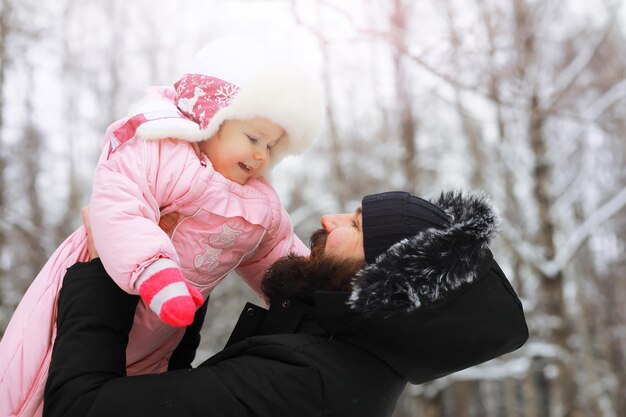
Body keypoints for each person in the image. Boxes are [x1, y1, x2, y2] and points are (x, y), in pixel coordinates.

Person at [0, 37, 324, 417]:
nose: (260, 155)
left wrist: (315, 293)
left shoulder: (261, 204)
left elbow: (278, 254)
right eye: (253, 138)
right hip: (107, 282)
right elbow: (120, 203)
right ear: (211, 120)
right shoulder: (163, 152)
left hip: (164, 330)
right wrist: (154, 270)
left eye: (271, 148)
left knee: (127, 387)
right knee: (38, 376)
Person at [43, 190, 528, 417]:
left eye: (355, 227)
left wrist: (104, 271)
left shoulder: (300, 382)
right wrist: (184, 279)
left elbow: (79, 408)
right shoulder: (342, 361)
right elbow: (179, 401)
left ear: (383, 283)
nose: (329, 218)